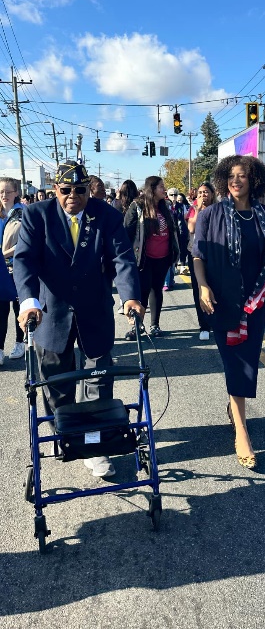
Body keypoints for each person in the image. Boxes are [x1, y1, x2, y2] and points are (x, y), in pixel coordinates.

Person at [14, 161, 144, 478]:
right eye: (66, 189)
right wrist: (29, 302)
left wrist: (130, 297)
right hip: (50, 310)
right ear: (55, 189)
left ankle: (94, 446)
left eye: (80, 189)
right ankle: (66, 436)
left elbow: (123, 259)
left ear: (89, 190)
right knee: (56, 381)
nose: (74, 195)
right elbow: (25, 261)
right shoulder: (36, 215)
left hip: (93, 309)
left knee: (99, 378)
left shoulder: (107, 215)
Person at [193, 155, 265, 469]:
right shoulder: (210, 215)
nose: (236, 181)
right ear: (223, 180)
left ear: (254, 180)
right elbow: (198, 255)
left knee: (247, 361)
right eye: (231, 176)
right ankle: (242, 431)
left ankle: (236, 409)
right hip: (222, 301)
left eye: (243, 176)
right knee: (234, 361)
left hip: (257, 302)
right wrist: (203, 286)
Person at [124, 176, 179, 339]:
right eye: (161, 186)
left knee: (157, 289)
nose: (164, 189)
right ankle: (137, 326)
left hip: (163, 257)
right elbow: (127, 231)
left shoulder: (166, 206)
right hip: (144, 258)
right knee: (143, 290)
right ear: (152, 188)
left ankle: (155, 325)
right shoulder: (137, 206)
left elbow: (172, 230)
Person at [186, 181, 216, 341]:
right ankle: (203, 325)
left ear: (212, 194)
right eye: (200, 193)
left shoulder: (218, 210)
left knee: (215, 287)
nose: (203, 195)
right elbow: (191, 229)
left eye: (206, 192)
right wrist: (198, 210)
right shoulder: (193, 210)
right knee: (200, 287)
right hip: (196, 255)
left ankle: (215, 320)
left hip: (216, 255)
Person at [0, 177, 25, 364]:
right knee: (0, 310)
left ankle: (20, 342)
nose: (4, 195)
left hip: (18, 267)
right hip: (1, 269)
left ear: (16, 192)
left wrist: (3, 254)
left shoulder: (23, 213)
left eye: (8, 192)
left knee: (18, 308)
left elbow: (24, 243)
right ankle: (0, 348)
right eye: (1, 192)